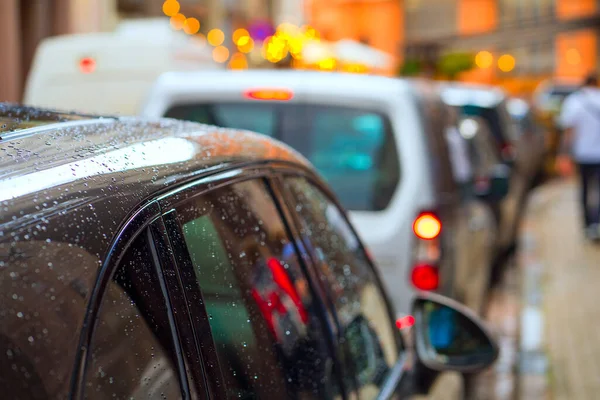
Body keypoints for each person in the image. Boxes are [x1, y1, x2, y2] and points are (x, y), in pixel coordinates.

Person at [559, 73, 600, 240]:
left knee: (584, 189)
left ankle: (588, 225)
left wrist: (563, 154)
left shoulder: (574, 101)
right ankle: (596, 222)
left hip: (583, 154)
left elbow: (569, 131)